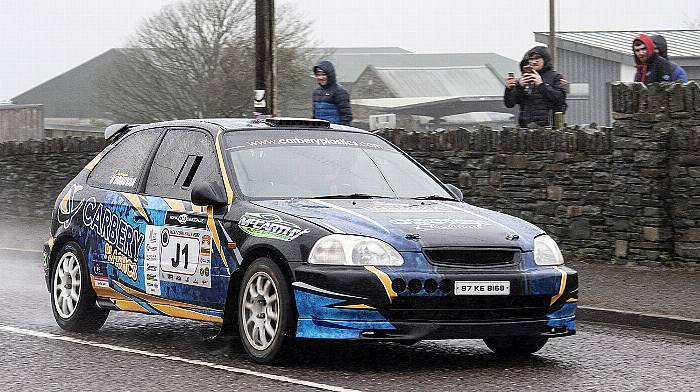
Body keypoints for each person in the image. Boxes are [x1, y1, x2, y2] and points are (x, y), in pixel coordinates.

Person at [504, 46, 567, 128]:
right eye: (531, 59)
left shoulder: (556, 77)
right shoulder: (524, 79)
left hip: (548, 127)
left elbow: (560, 100)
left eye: (538, 58)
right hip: (525, 127)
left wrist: (541, 85)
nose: (534, 61)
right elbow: (509, 103)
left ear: (545, 59)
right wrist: (516, 87)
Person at [312, 60, 352, 126]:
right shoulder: (316, 92)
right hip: (320, 131)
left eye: (323, 75)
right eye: (318, 75)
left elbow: (346, 117)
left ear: (330, 74)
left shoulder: (340, 92)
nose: (320, 77)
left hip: (335, 131)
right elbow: (315, 116)